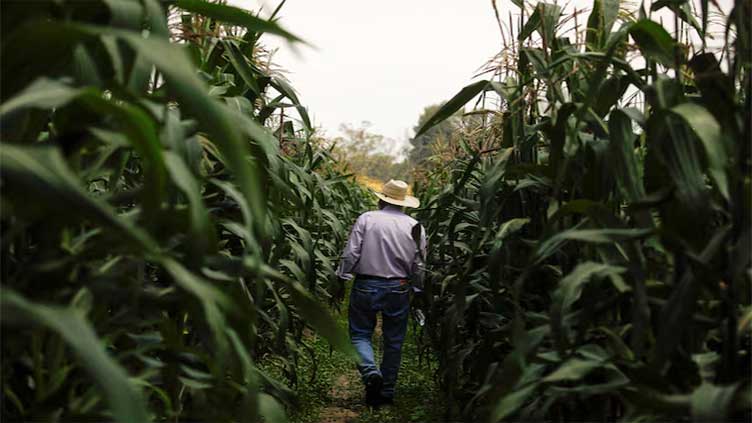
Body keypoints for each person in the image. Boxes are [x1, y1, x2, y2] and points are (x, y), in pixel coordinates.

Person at [336, 179, 427, 407]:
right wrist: (417, 289)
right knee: (394, 341)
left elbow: (351, 252)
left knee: (359, 335)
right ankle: (386, 393)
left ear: (381, 199)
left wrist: (342, 276)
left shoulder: (367, 218)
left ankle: (370, 373)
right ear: (404, 203)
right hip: (399, 286)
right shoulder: (415, 226)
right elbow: (419, 264)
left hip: (366, 284)